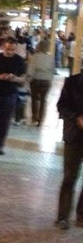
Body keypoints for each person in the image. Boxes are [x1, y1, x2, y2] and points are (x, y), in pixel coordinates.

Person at [55, 71, 83, 229]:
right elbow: (61, 106)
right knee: (70, 177)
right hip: (74, 135)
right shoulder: (72, 82)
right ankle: (63, 217)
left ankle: (81, 215)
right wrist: (77, 118)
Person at [27, 41, 54, 126]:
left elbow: (31, 69)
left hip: (36, 79)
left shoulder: (35, 57)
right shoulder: (51, 58)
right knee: (43, 100)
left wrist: (28, 79)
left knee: (34, 99)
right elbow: (53, 70)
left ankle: (34, 117)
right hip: (46, 81)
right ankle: (41, 119)